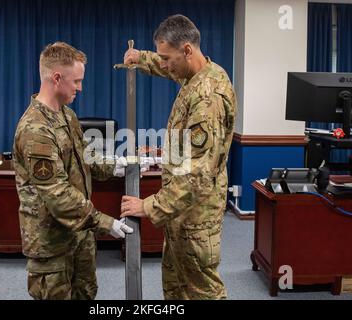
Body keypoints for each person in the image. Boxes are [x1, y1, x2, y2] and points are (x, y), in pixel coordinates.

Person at [120, 15, 236, 300]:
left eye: (165, 57)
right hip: (180, 209)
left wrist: (148, 206)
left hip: (195, 215)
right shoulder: (197, 74)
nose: (163, 64)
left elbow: (197, 175)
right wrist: (141, 58)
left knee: (201, 290)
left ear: (186, 50)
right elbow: (166, 68)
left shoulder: (207, 98)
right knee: (176, 285)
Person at [13, 41, 133, 300]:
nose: (80, 88)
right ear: (57, 78)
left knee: (86, 294)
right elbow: (56, 194)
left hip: (79, 235)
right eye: (76, 81)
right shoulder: (35, 130)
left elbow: (84, 156)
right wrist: (104, 222)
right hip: (52, 243)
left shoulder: (67, 115)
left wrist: (115, 166)